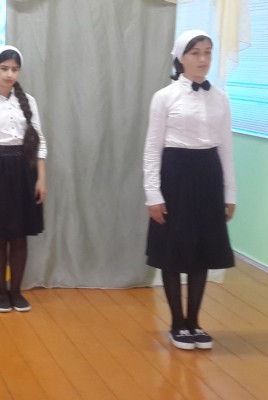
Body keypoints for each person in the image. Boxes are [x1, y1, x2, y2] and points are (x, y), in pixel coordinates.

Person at [143, 30, 236, 350]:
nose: (203, 59)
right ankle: (177, 324)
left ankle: (194, 322)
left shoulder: (220, 97)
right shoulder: (164, 97)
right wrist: (153, 194)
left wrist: (230, 193)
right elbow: (152, 149)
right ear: (181, 58)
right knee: (173, 250)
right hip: (175, 176)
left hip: (208, 176)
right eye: (196, 53)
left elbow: (225, 148)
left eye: (208, 52)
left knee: (202, 252)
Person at [0, 45, 48, 313]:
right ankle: (1, 292)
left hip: (25, 170)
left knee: (20, 235)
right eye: (4, 69)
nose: (9, 74)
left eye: (14, 69)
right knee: (0, 235)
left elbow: (39, 142)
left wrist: (41, 179)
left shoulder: (29, 101)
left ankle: (16, 291)